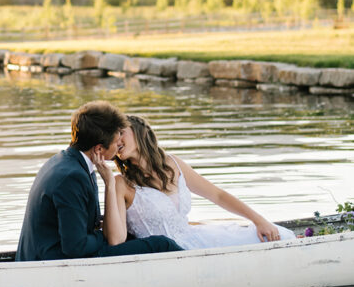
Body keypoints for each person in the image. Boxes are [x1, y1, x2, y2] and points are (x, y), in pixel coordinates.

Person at [15, 101, 181, 261]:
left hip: (52, 250)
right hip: (51, 259)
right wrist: (103, 235)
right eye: (116, 143)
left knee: (132, 235)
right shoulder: (72, 177)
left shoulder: (66, 161)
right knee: (161, 244)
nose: (118, 147)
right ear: (99, 149)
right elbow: (75, 247)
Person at [104, 114, 296, 250]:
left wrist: (259, 220)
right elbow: (116, 240)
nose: (117, 140)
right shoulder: (121, 184)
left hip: (197, 238)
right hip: (166, 253)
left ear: (141, 132)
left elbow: (218, 195)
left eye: (121, 132)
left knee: (279, 235)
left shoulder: (173, 163)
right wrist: (108, 183)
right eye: (113, 137)